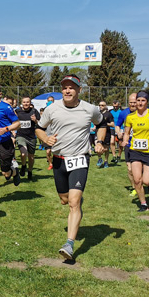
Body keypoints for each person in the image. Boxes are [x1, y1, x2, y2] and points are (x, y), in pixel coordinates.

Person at [35, 74, 105, 260]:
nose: (67, 90)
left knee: (74, 202)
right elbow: (39, 128)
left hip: (80, 159)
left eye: (71, 87)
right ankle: (75, 199)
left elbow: (102, 123)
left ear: (79, 90)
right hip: (59, 159)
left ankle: (69, 245)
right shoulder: (52, 109)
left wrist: (99, 141)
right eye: (64, 87)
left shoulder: (90, 109)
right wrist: (45, 139)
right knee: (65, 199)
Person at [122, 90, 149, 212]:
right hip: (135, 150)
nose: (140, 103)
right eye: (138, 101)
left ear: (147, 102)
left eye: (143, 101)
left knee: (146, 180)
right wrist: (125, 141)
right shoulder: (130, 117)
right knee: (137, 179)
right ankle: (144, 204)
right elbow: (126, 132)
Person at [115, 93, 138, 194]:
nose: (132, 105)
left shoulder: (143, 113)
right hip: (128, 143)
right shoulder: (124, 113)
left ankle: (140, 184)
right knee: (130, 168)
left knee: (139, 169)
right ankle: (134, 188)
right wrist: (118, 132)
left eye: (134, 102)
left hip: (140, 144)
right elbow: (117, 125)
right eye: (131, 103)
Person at [15, 96, 40, 180]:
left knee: (31, 157)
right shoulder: (17, 111)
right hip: (21, 135)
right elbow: (12, 121)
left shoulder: (34, 111)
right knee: (23, 153)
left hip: (31, 137)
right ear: (21, 103)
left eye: (27, 102)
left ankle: (29, 171)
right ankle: (23, 165)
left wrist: (35, 120)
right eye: (24, 102)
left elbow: (40, 123)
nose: (26, 104)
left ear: (30, 103)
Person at [96, 100, 115, 168]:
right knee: (97, 146)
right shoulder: (98, 114)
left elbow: (113, 124)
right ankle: (100, 158)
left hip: (107, 133)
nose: (101, 106)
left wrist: (105, 124)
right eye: (99, 105)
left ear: (105, 106)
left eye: (102, 105)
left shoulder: (108, 114)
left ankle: (106, 161)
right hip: (98, 132)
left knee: (106, 148)